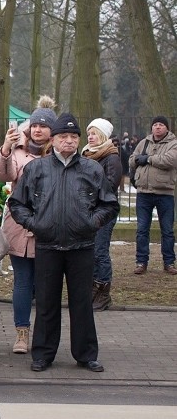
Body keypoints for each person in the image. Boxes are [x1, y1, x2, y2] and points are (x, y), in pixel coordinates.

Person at [9, 113, 119, 373]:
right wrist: (36, 224)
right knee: (46, 303)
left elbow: (109, 204)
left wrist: (91, 222)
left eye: (73, 137)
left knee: (82, 303)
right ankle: (43, 354)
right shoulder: (37, 168)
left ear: (78, 141)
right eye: (63, 137)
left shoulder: (92, 169)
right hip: (47, 246)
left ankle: (86, 354)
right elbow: (17, 204)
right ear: (54, 140)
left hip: (82, 247)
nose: (68, 141)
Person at [0, 97, 56, 354]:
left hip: (48, 227)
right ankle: (22, 334)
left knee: (45, 285)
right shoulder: (18, 151)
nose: (38, 130)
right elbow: (4, 175)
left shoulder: (59, 153)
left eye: (44, 126)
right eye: (35, 125)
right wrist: (6, 149)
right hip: (20, 226)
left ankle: (43, 334)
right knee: (22, 281)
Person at [83, 118, 123, 311]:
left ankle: (104, 290)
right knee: (90, 251)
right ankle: (92, 287)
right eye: (89, 133)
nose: (90, 137)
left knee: (100, 251)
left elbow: (110, 185)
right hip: (87, 210)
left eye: (94, 134)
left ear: (103, 136)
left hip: (104, 211)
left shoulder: (111, 157)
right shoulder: (86, 155)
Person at [129, 116, 177, 276]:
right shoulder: (144, 143)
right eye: (155, 124)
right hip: (143, 193)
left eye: (161, 125)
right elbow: (131, 159)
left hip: (165, 193)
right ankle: (141, 261)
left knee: (167, 230)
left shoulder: (173, 143)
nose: (157, 127)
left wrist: (148, 159)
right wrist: (137, 159)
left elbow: (169, 160)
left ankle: (169, 262)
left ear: (167, 128)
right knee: (142, 229)